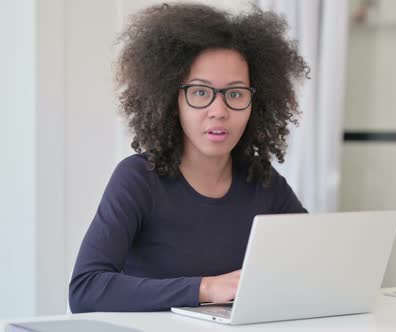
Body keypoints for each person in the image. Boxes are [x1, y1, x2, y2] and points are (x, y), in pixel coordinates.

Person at [69, 2, 309, 313]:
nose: (219, 111)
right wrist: (206, 288)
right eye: (200, 92)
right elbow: (85, 289)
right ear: (172, 100)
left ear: (255, 104)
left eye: (235, 94)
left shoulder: (263, 182)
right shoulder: (138, 178)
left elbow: (310, 267)